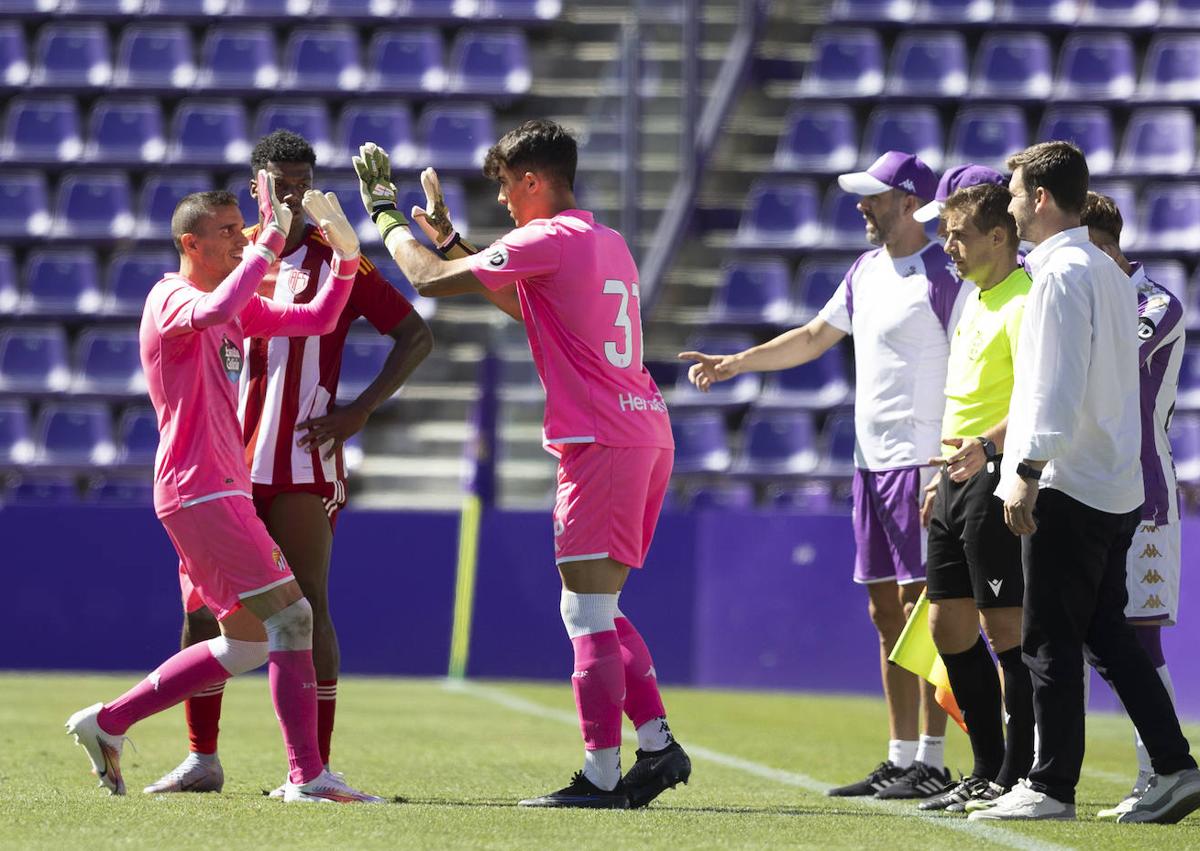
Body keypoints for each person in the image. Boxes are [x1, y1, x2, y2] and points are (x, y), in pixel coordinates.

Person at [350, 120, 688, 809]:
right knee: (595, 605)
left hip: (601, 436)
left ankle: (601, 776)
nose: (502, 200)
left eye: (505, 185)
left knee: (587, 609)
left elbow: (427, 279)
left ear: (533, 180)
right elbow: (527, 302)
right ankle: (656, 744)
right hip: (642, 427)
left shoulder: (545, 238)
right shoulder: (605, 241)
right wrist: (454, 242)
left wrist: (382, 213)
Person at [66, 176, 381, 803]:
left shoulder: (231, 303)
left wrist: (346, 263)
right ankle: (307, 777)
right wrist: (267, 246)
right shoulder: (171, 296)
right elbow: (213, 309)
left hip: (214, 490)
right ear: (192, 243)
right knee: (294, 617)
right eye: (228, 232)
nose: (241, 240)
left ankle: (108, 722)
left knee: (247, 641)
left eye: (244, 227)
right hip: (200, 487)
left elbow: (316, 318)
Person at [143, 130, 432, 796]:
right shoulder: (230, 257)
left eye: (302, 178)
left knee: (308, 607)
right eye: (280, 181)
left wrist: (361, 409)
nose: (293, 192)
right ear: (256, 188)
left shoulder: (338, 256)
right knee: (200, 614)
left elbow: (415, 333)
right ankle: (201, 756)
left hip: (301, 457)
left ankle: (314, 765)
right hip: (224, 466)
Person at [682, 151, 970, 800]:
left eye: (873, 196)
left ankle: (932, 755)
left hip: (923, 464)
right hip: (871, 466)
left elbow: (972, 361)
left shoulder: (944, 275)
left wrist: (951, 454)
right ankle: (899, 757)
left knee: (929, 614)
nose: (862, 206)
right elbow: (814, 335)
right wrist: (737, 363)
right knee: (884, 611)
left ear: (907, 202)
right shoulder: (866, 269)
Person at [974, 140, 1200, 824]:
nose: (1010, 208)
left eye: (1015, 195)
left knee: (1049, 637)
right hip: (1115, 481)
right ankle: (1173, 764)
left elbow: (1056, 381)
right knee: (1106, 632)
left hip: (1069, 480)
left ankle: (1050, 785)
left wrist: (1028, 469)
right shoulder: (1105, 270)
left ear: (1040, 199)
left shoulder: (1060, 273)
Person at [916, 183, 1035, 814]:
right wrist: (943, 473)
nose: (948, 246)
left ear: (998, 236)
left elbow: (1038, 399)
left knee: (1005, 629)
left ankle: (1019, 773)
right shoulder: (977, 298)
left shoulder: (1026, 299)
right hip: (956, 478)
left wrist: (985, 451)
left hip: (996, 478)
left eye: (957, 234)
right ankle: (986, 767)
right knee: (947, 624)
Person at [1080, 191, 1188, 820]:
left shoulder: (1156, 302)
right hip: (1098, 484)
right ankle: (1156, 771)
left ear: (1099, 241)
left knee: (1139, 636)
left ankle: (1160, 773)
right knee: (1102, 637)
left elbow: (1111, 366)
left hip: (1144, 492)